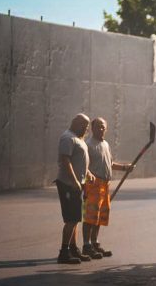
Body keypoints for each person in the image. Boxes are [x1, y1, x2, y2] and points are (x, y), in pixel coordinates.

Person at [82, 117, 133, 260]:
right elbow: (84, 166)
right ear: (92, 128)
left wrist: (124, 168)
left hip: (105, 185)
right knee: (90, 216)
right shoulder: (88, 145)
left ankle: (95, 243)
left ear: (106, 128)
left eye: (103, 127)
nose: (101, 129)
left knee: (99, 216)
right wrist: (86, 181)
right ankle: (86, 245)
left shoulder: (105, 144)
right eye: (98, 126)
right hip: (93, 184)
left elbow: (110, 163)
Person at [55, 113, 94, 264]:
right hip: (68, 184)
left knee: (76, 219)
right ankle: (64, 253)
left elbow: (80, 160)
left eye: (87, 126)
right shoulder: (68, 137)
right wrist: (75, 181)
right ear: (75, 123)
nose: (86, 129)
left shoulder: (79, 138)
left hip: (77, 184)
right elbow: (66, 161)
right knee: (71, 219)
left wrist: (88, 173)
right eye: (84, 125)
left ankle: (73, 249)